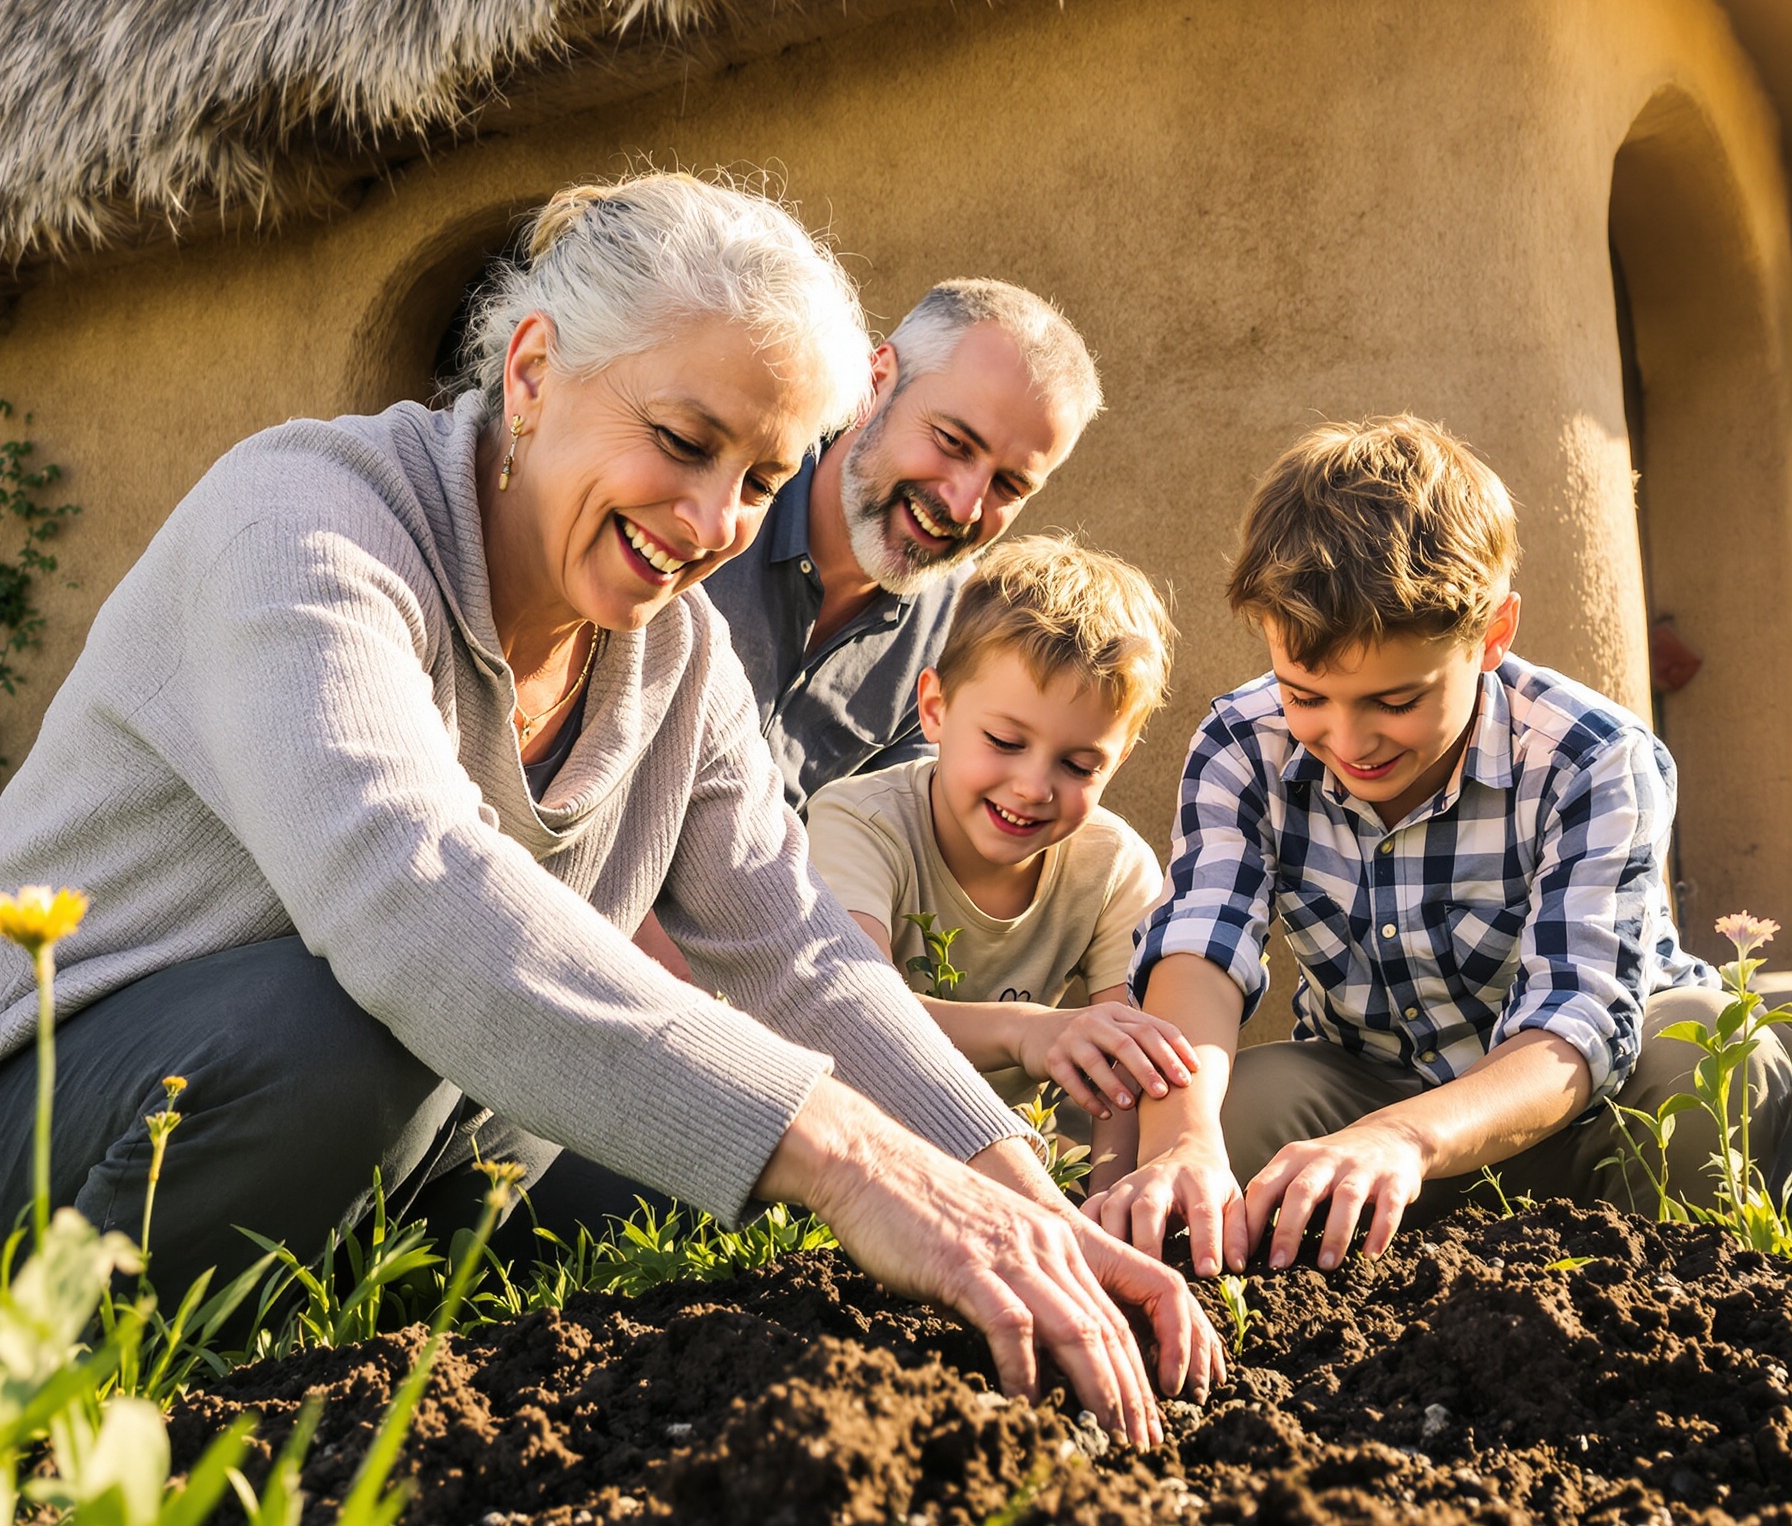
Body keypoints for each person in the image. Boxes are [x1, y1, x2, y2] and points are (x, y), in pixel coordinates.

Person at [0, 173, 1217, 1440]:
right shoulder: (304, 523)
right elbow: (411, 899)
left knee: (689, 1162)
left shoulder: (675, 656)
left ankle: (358, 1370)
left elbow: (796, 949)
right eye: (685, 442)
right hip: (56, 1097)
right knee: (353, 1030)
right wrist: (852, 1158)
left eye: (762, 479)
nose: (711, 523)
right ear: (532, 371)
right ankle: (66, 1399)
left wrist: (1010, 1191)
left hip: (363, 1123)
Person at [1083, 413, 1791, 1274]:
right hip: (1368, 1095)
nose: (1349, 742)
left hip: (1588, 1111)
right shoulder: (1243, 742)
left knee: (1711, 1044)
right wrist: (1182, 1146)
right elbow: (1201, 947)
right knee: (1227, 1110)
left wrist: (1406, 1138)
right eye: (1306, 696)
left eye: (1395, 701)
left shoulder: (1590, 757)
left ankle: (1679, 1292)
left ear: (1492, 634)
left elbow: (1578, 1022)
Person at [807, 535, 1197, 1186]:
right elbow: (855, 1016)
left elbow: (1127, 1069)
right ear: (935, 709)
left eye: (1079, 765)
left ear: (1118, 761)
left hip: (1010, 1162)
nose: (1033, 787)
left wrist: (1107, 1206)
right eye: (1005, 741)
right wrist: (1025, 1031)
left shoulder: (1113, 866)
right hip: (851, 1148)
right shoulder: (860, 821)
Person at [702, 278, 1101, 813]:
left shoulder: (959, 639)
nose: (964, 505)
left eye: (1008, 486)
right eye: (953, 442)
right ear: (874, 386)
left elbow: (887, 837)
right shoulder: (710, 502)